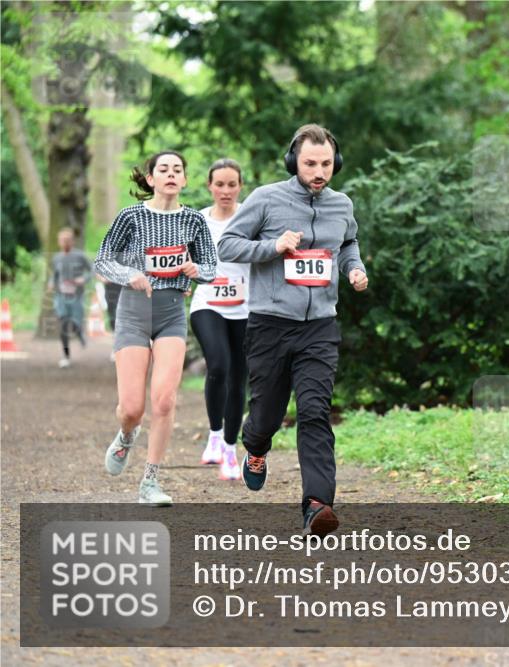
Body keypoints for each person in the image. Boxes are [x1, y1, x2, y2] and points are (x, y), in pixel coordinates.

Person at [218, 123, 367, 537]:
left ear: (336, 163)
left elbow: (348, 243)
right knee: (267, 414)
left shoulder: (341, 205)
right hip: (270, 324)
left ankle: (317, 504)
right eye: (310, 164)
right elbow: (227, 244)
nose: (319, 172)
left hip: (319, 326)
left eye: (326, 164)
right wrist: (273, 246)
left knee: (315, 410)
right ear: (293, 162)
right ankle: (255, 446)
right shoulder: (266, 199)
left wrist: (354, 268)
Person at [94, 151, 216, 505]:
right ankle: (126, 434)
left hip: (171, 313)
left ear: (185, 179)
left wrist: (197, 270)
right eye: (163, 169)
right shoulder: (130, 216)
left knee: (164, 399)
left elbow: (211, 265)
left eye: (178, 170)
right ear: (151, 179)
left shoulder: (194, 220)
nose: (171, 174)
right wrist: (129, 273)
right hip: (134, 312)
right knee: (132, 408)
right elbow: (103, 259)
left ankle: (150, 481)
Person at [189, 158, 249, 481]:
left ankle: (229, 448)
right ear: (209, 186)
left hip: (245, 307)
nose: (226, 191)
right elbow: (184, 257)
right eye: (220, 184)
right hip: (207, 303)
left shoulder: (250, 217)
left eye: (232, 185)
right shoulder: (198, 221)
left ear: (240, 186)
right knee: (219, 364)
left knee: (238, 377)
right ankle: (214, 433)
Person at [47, 227, 91, 368]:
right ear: (59, 242)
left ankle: (80, 334)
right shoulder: (56, 258)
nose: (65, 243)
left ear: (72, 241)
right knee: (64, 324)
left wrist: (83, 279)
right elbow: (54, 274)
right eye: (62, 240)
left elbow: (92, 270)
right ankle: (66, 356)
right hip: (61, 297)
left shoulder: (80, 256)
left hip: (77, 297)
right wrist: (51, 283)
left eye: (67, 240)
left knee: (75, 323)